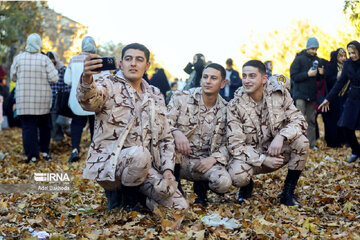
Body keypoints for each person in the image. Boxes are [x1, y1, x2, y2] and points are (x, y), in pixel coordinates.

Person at [77, 43, 188, 212]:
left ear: (147, 65)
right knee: (139, 154)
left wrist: (167, 170)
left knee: (180, 207)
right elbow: (88, 101)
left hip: (145, 167)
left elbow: (165, 136)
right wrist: (86, 78)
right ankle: (127, 204)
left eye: (139, 60)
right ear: (121, 63)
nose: (133, 64)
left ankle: (144, 200)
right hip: (111, 165)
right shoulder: (108, 84)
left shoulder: (155, 94)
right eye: (128, 59)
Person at [227, 60, 309, 206]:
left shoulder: (279, 94)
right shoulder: (234, 105)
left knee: (302, 142)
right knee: (236, 175)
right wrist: (263, 159)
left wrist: (281, 136)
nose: (246, 80)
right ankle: (246, 187)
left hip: (276, 150)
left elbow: (300, 121)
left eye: (252, 76)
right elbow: (235, 145)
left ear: (264, 79)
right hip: (252, 156)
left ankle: (287, 193)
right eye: (244, 76)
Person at [167, 63, 232, 206]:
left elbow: (231, 143)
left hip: (204, 163)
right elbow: (163, 124)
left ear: (222, 84)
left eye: (213, 78)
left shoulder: (228, 110)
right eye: (205, 77)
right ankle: (175, 189)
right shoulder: (180, 98)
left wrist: (213, 159)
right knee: (167, 143)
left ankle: (201, 190)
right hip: (177, 160)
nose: (208, 81)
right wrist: (176, 132)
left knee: (223, 182)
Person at [10, 33, 58, 163]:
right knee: (44, 127)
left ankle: (32, 155)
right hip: (42, 100)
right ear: (39, 44)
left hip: (24, 101)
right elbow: (55, 78)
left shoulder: (18, 59)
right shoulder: (44, 59)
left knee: (28, 128)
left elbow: (13, 77)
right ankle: (45, 152)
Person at [319, 41, 360, 163]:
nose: (352, 55)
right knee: (345, 125)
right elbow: (340, 83)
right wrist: (328, 99)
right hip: (352, 98)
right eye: (350, 53)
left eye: (354, 53)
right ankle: (356, 151)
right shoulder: (348, 64)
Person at [64, 36, 96, 163]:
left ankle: (75, 150)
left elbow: (67, 80)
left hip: (77, 100)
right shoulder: (99, 60)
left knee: (76, 124)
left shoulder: (73, 60)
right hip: (95, 100)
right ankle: (94, 152)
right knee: (95, 125)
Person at [290, 37, 324, 149]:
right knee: (299, 119)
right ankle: (297, 144)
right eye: (312, 49)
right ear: (308, 47)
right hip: (300, 94)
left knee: (311, 120)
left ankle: (311, 144)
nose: (314, 51)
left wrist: (321, 74)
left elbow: (318, 79)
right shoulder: (299, 59)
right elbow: (293, 76)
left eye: (316, 49)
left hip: (312, 94)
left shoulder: (318, 60)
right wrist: (307, 74)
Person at [322, 49, 348, 148]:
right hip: (332, 98)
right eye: (341, 56)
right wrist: (336, 77)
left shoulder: (347, 67)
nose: (343, 58)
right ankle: (333, 142)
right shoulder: (331, 66)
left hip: (344, 97)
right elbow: (327, 81)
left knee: (344, 119)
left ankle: (344, 140)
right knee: (333, 121)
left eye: (344, 56)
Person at [46, 51, 71, 141]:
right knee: (53, 122)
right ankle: (58, 140)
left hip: (60, 99)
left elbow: (68, 85)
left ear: (55, 58)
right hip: (50, 98)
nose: (51, 61)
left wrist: (64, 98)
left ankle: (69, 135)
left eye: (52, 59)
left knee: (61, 121)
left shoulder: (63, 69)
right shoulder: (47, 69)